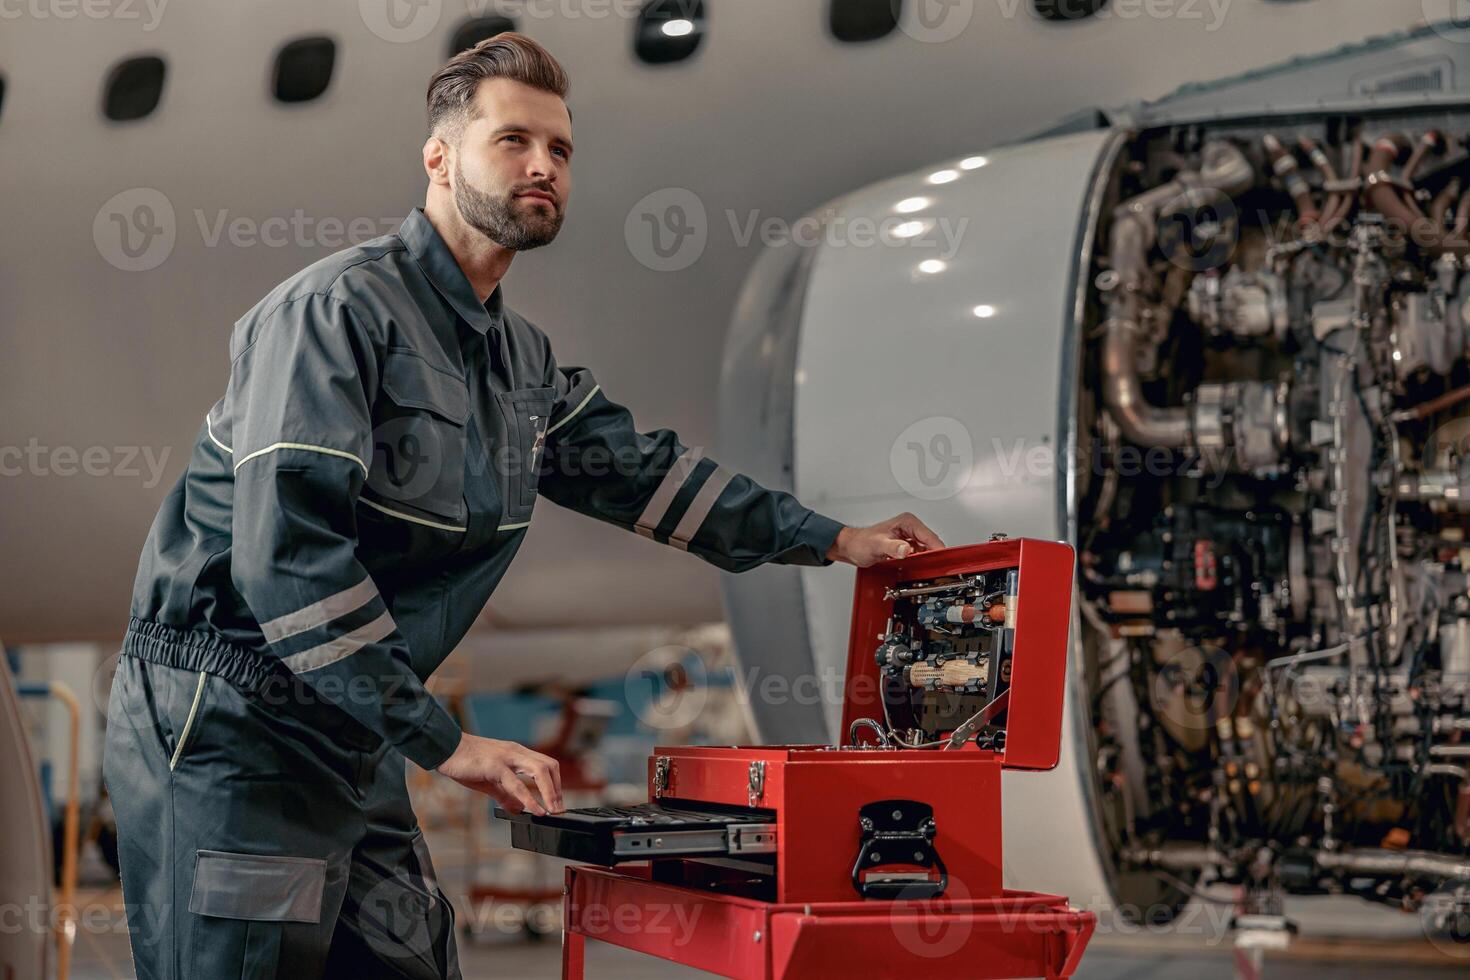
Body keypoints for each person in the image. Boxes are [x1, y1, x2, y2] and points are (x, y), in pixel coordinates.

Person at [104, 32, 944, 979]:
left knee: (409, 959)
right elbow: (287, 561)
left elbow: (649, 477)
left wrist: (834, 539)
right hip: (231, 725)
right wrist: (445, 741)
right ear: (439, 157)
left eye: (560, 150)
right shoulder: (332, 314)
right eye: (512, 140)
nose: (542, 165)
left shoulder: (521, 366)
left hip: (355, 727)